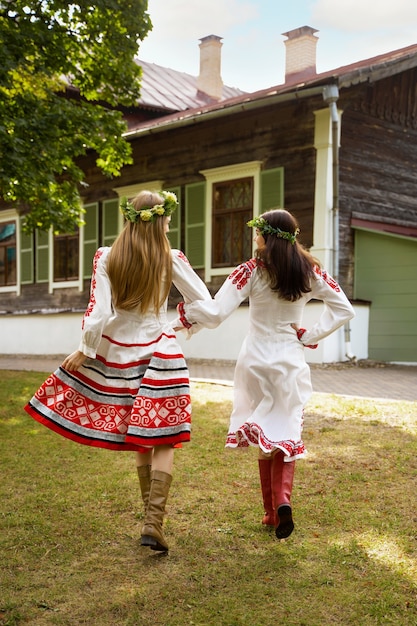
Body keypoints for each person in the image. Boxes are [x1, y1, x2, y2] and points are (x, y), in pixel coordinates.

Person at [25, 190, 211, 552]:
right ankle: (153, 523)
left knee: (141, 434)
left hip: (121, 354)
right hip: (160, 350)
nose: (170, 223)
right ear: (159, 219)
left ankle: (150, 524)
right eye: (168, 218)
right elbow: (205, 302)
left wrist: (86, 349)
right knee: (165, 436)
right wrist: (181, 329)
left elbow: (99, 311)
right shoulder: (170, 258)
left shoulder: (108, 257)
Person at [174, 208, 355, 540]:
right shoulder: (311, 270)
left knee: (265, 433)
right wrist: (310, 335)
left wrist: (183, 318)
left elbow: (216, 312)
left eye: (257, 230)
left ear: (267, 235)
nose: (253, 235)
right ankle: (282, 499)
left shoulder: (251, 270)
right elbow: (345, 309)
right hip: (289, 358)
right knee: (285, 429)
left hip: (255, 360)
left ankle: (271, 514)